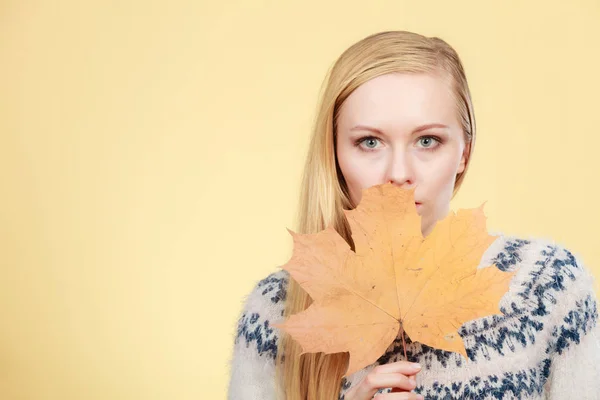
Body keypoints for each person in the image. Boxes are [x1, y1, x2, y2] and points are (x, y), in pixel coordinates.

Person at [227, 30, 600, 400]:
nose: (399, 173)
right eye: (369, 142)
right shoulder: (277, 311)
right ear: (335, 155)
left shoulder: (547, 288)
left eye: (427, 141)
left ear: (463, 154)